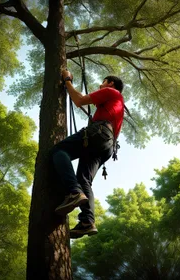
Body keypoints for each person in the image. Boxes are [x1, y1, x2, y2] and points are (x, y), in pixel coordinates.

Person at [51, 69, 124, 239]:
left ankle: (74, 192)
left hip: (98, 134)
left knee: (59, 150)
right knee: (84, 179)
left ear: (111, 83)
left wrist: (67, 80)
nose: (100, 85)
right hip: (107, 145)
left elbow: (79, 100)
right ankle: (87, 222)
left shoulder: (111, 91)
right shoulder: (114, 105)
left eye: (103, 81)